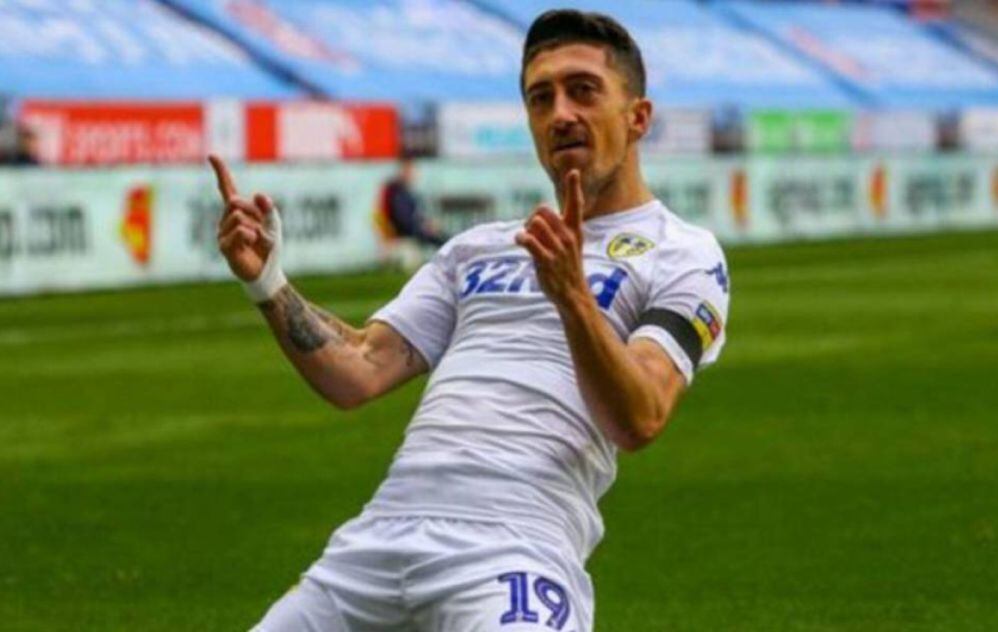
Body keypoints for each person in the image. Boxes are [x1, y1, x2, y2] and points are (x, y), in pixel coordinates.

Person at [210, 9, 730, 632]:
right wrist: (267, 282)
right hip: (378, 540)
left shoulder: (684, 253)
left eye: (583, 90)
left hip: (514, 544)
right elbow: (359, 370)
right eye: (541, 98)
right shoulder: (477, 248)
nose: (561, 112)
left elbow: (639, 416)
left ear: (637, 117)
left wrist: (572, 298)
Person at [377, 156, 447, 247]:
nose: (413, 174)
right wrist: (424, 227)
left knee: (442, 235)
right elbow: (405, 221)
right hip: (404, 232)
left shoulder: (406, 192)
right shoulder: (398, 193)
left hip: (412, 229)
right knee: (442, 240)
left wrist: (426, 223)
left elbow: (416, 215)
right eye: (410, 171)